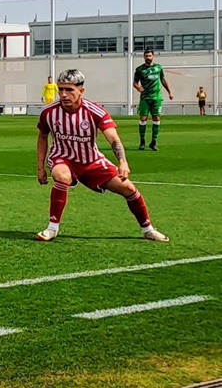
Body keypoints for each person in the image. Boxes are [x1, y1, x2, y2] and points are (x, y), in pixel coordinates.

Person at [36, 69, 169, 243]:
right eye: (60, 89)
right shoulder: (49, 112)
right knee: (62, 177)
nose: (63, 94)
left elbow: (113, 138)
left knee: (129, 189)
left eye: (69, 90)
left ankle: (148, 229)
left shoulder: (95, 111)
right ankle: (52, 228)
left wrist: (123, 162)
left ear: (81, 91)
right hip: (62, 157)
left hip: (91, 161)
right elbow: (43, 137)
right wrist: (41, 167)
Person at [133, 50, 173, 151]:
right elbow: (135, 82)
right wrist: (138, 88)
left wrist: (169, 92)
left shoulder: (158, 68)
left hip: (156, 98)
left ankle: (153, 142)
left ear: (153, 56)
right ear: (144, 57)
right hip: (145, 98)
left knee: (156, 119)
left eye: (150, 56)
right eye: (146, 56)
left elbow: (163, 80)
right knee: (143, 119)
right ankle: (142, 142)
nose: (148, 57)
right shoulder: (140, 69)